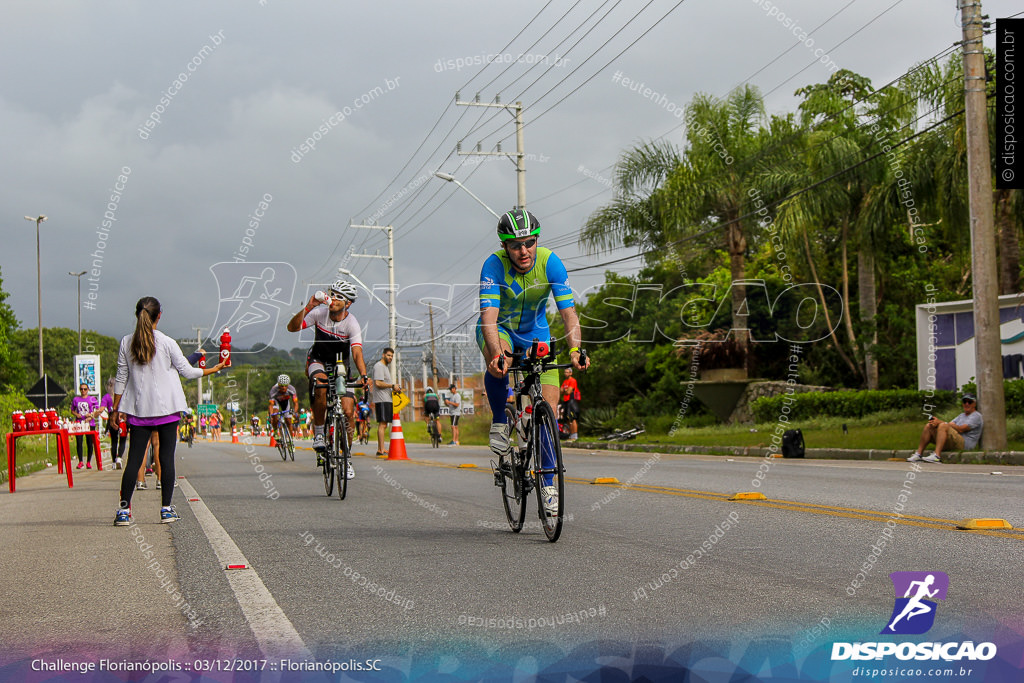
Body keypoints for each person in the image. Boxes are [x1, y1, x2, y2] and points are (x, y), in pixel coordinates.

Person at [477, 209, 590, 515]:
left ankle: (549, 484)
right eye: (515, 245)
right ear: (505, 247)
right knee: (500, 358)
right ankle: (501, 420)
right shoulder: (494, 266)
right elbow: (488, 317)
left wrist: (575, 350)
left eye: (529, 242)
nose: (523, 250)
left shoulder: (549, 261)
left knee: (549, 412)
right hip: (500, 329)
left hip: (536, 333)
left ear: (536, 240)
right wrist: (496, 353)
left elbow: (568, 313)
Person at [111, 297, 224, 525]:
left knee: (133, 460)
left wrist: (115, 409)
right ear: (159, 315)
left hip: (139, 411)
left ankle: (124, 512)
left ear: (137, 315)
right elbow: (188, 372)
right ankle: (165, 510)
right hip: (168, 410)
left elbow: (121, 378)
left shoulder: (126, 342)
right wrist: (214, 368)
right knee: (166, 458)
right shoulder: (167, 342)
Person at [286, 279, 368, 479]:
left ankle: (346, 457)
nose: (333, 299)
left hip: (341, 366)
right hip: (318, 361)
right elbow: (292, 328)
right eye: (332, 294)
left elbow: (357, 353)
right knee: (320, 385)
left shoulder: (352, 323)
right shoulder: (319, 313)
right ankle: (320, 432)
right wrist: (309, 306)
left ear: (347, 303)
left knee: (348, 412)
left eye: (339, 297)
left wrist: (364, 375)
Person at [908, 393, 983, 463]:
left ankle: (936, 455)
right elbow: (950, 424)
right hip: (954, 440)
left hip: (964, 444)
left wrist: (941, 422)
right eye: (964, 402)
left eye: (969, 402)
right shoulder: (961, 415)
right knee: (929, 426)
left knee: (943, 425)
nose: (967, 404)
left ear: (974, 404)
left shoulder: (976, 416)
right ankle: (918, 454)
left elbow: (961, 429)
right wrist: (936, 423)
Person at [371, 347, 398, 456]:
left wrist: (394, 388)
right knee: (382, 424)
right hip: (382, 399)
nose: (390, 357)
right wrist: (392, 385)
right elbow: (378, 383)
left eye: (391, 356)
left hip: (387, 398)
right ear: (383, 355)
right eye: (388, 355)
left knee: (385, 424)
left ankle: (381, 448)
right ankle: (380, 449)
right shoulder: (379, 366)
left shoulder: (385, 367)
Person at [71, 382, 102, 468]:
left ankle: (89, 461)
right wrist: (76, 414)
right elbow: (72, 410)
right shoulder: (76, 399)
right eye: (81, 389)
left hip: (90, 423)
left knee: (90, 442)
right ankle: (80, 461)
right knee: (79, 442)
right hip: (79, 423)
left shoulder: (92, 399)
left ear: (88, 390)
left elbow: (98, 411)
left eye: (85, 389)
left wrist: (91, 416)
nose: (83, 391)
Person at [101, 378, 127, 469]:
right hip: (122, 419)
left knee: (114, 441)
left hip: (112, 418)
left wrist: (94, 414)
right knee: (123, 440)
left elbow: (101, 408)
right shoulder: (122, 395)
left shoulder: (107, 397)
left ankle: (113, 461)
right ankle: (119, 457)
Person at [268, 374, 299, 439]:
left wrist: (294, 412)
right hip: (276, 401)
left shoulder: (292, 389)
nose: (284, 388)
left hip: (285, 402)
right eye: (282, 386)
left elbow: (295, 403)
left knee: (288, 421)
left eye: (285, 386)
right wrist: (271, 415)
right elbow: (271, 405)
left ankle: (290, 439)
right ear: (279, 385)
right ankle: (276, 432)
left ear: (288, 385)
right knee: (274, 414)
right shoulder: (273, 390)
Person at [560, 367, 581, 441]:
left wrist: (565, 390)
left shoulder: (572, 380)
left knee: (573, 418)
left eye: (567, 372)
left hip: (572, 401)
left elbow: (568, 391)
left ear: (571, 373)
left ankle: (574, 435)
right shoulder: (565, 381)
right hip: (566, 401)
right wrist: (565, 390)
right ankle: (571, 435)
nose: (565, 373)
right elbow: (561, 390)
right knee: (568, 418)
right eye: (565, 372)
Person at [445, 382, 462, 446]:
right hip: (452, 412)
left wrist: (449, 402)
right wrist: (447, 403)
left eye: (451, 389)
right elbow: (451, 404)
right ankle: (457, 441)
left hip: (456, 412)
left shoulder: (457, 396)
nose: (450, 390)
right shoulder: (452, 396)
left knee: (453, 426)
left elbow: (457, 404)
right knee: (456, 427)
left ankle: (454, 440)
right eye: (450, 389)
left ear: (454, 388)